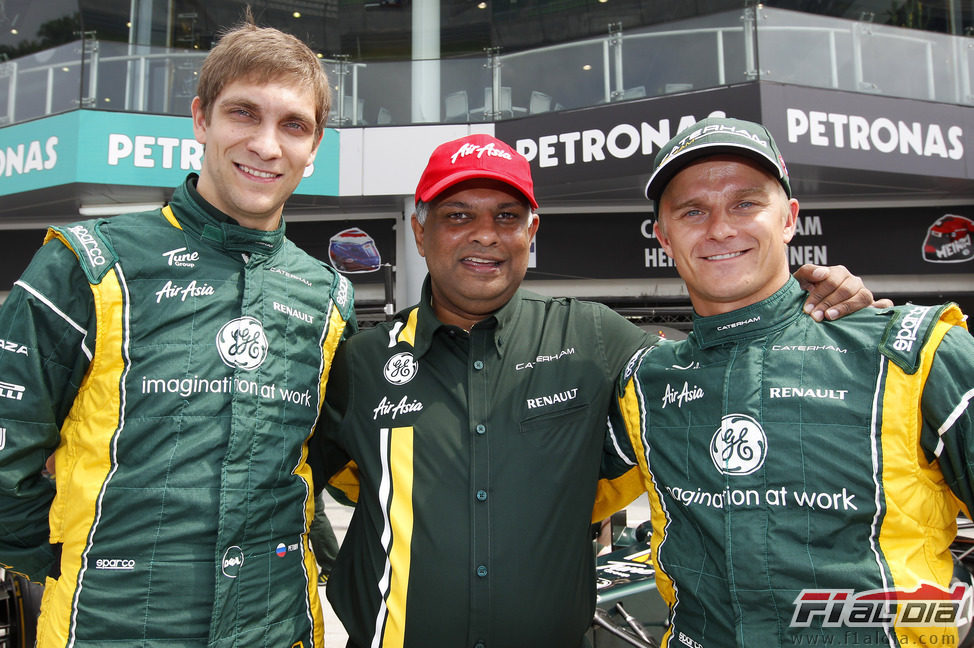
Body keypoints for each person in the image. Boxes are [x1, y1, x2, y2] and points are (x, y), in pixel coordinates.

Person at [313, 132, 884, 648]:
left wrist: (816, 307)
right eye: (458, 215)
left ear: (531, 232)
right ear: (419, 229)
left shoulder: (594, 335)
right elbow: (310, 487)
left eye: (508, 216)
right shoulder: (360, 362)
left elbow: (714, 370)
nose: (485, 234)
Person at [0, 13, 355, 648]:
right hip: (106, 629)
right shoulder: (87, 260)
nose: (267, 146)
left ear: (315, 145)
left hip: (277, 629)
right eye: (244, 113)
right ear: (201, 119)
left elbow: (315, 463)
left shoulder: (329, 296)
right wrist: (72, 570)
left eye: (293, 125)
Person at [604, 117, 974, 647]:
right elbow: (542, 503)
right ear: (663, 235)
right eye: (692, 211)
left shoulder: (918, 352)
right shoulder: (644, 383)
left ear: (789, 219)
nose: (720, 228)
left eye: (745, 203)